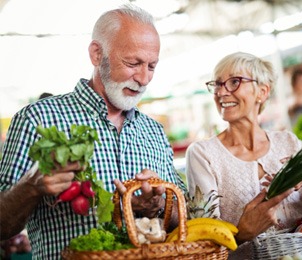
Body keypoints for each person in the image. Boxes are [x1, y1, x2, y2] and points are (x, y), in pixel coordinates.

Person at [0, 4, 185, 259]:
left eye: (152, 66)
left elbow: (184, 219)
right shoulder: (36, 119)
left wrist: (159, 206)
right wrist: (31, 186)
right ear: (97, 54)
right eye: (133, 63)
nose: (143, 78)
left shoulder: (153, 131)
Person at [185, 52, 302, 259]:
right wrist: (241, 233)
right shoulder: (203, 154)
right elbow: (204, 242)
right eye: (218, 84)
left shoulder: (289, 142)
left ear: (262, 92)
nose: (221, 92)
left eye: (234, 82)